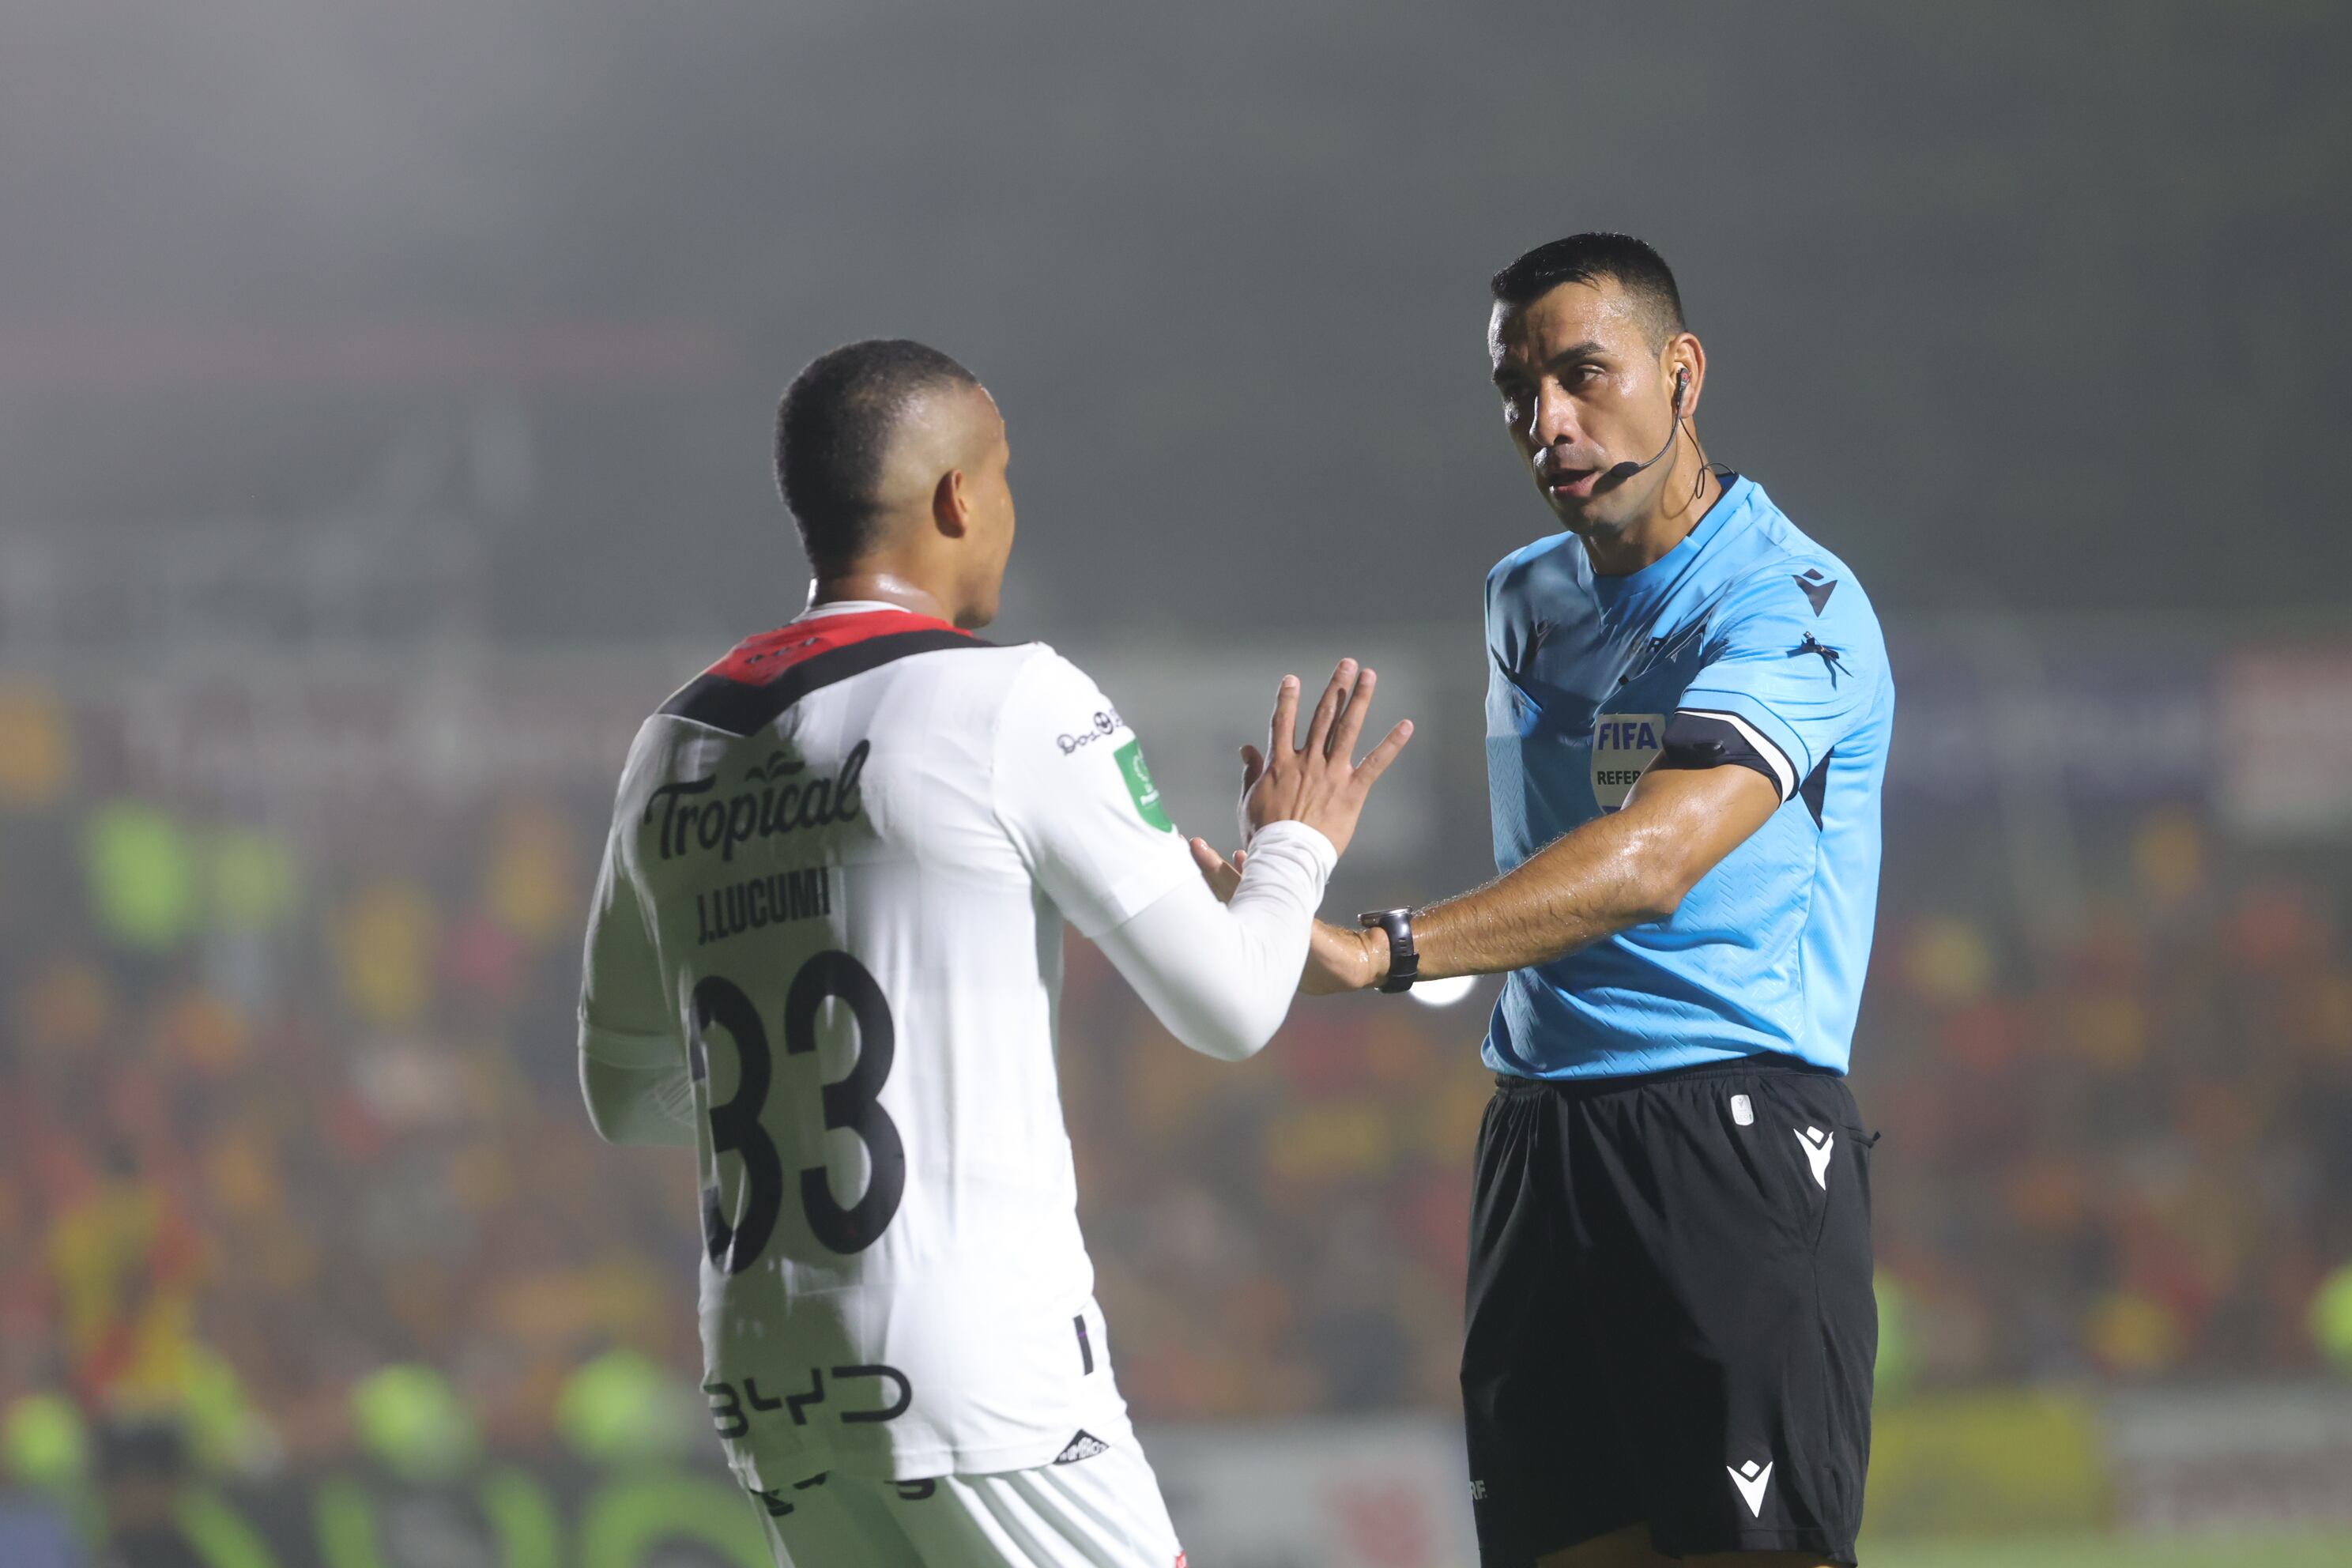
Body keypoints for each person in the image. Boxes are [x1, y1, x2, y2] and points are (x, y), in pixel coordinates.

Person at [575, 338, 1410, 1568]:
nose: (1013, 506)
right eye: (1006, 473)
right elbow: (1232, 1008)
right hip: (984, 1371)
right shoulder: (1011, 701)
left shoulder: (674, 743)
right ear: (957, 496)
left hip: (771, 1377)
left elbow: (623, 1096)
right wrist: (1295, 849)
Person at [1195, 234, 1892, 1568]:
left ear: (1682, 373)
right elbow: (1557, 864)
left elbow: (1651, 860)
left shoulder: (1790, 606)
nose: (1548, 421)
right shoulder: (1525, 597)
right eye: (1518, 389)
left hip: (1728, 1132)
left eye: (1584, 374)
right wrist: (1287, 888)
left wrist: (1384, 950)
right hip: (1537, 1139)